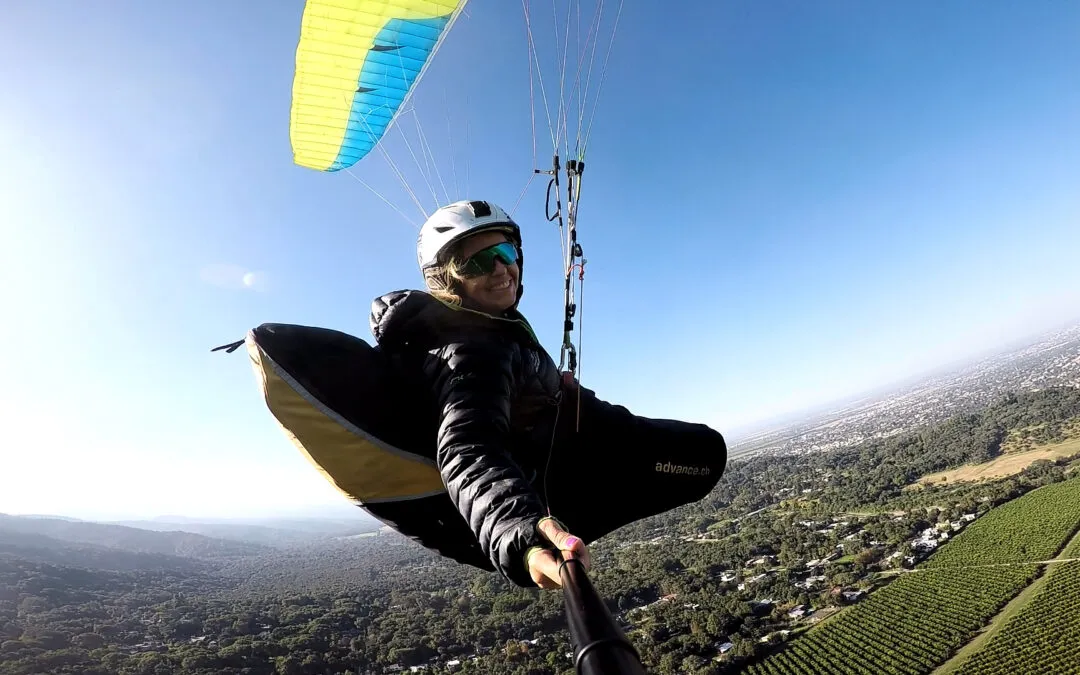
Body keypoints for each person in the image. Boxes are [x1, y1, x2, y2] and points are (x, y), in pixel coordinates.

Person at [369, 199, 727, 590]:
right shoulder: (472, 352)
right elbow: (467, 447)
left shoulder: (489, 328)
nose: (501, 268)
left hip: (584, 430)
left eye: (504, 253)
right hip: (571, 470)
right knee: (706, 455)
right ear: (445, 279)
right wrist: (520, 532)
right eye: (476, 262)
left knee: (707, 448)